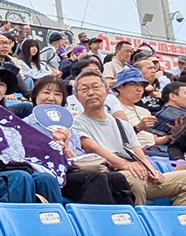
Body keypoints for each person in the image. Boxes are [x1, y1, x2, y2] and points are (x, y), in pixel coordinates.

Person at [72, 70, 186, 205]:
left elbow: (138, 152)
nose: (91, 93)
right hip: (110, 174)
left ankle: (177, 222)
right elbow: (91, 147)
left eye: (96, 87)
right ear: (77, 96)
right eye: (84, 89)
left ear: (107, 91)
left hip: (134, 171)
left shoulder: (122, 125)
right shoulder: (75, 123)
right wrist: (125, 165)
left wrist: (151, 170)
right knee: (135, 179)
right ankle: (137, 222)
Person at [26, 75, 133, 204]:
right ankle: (100, 220)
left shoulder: (68, 126)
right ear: (35, 96)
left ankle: (123, 219)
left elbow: (78, 160)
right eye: (46, 92)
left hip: (70, 174)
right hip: (46, 176)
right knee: (96, 179)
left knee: (117, 179)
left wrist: (66, 149)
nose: (51, 98)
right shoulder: (25, 125)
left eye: (57, 94)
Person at [0, 65, 63, 203]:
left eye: (1, 85)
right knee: (21, 178)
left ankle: (55, 222)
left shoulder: (10, 119)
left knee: (46, 179)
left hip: (16, 165)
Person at [113, 67, 168, 149]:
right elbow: (115, 139)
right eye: (133, 85)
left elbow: (155, 140)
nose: (139, 89)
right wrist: (138, 128)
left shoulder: (145, 112)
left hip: (154, 151)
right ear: (119, 87)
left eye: (141, 86)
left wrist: (174, 133)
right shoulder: (114, 109)